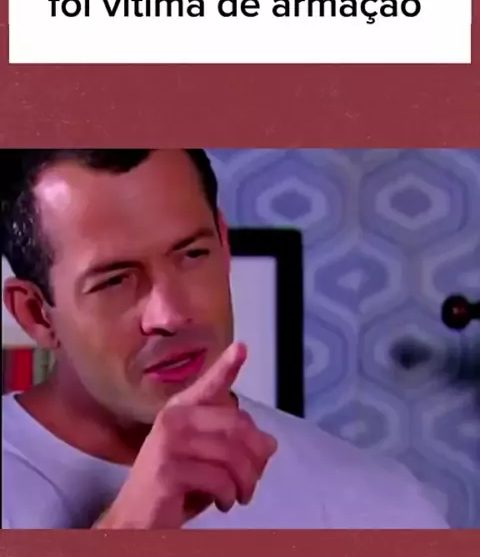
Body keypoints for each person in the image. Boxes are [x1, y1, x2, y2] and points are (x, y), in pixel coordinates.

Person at [1, 149, 447, 529]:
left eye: (192, 255)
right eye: (115, 281)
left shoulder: (382, 507)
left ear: (224, 245)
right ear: (36, 315)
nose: (170, 316)